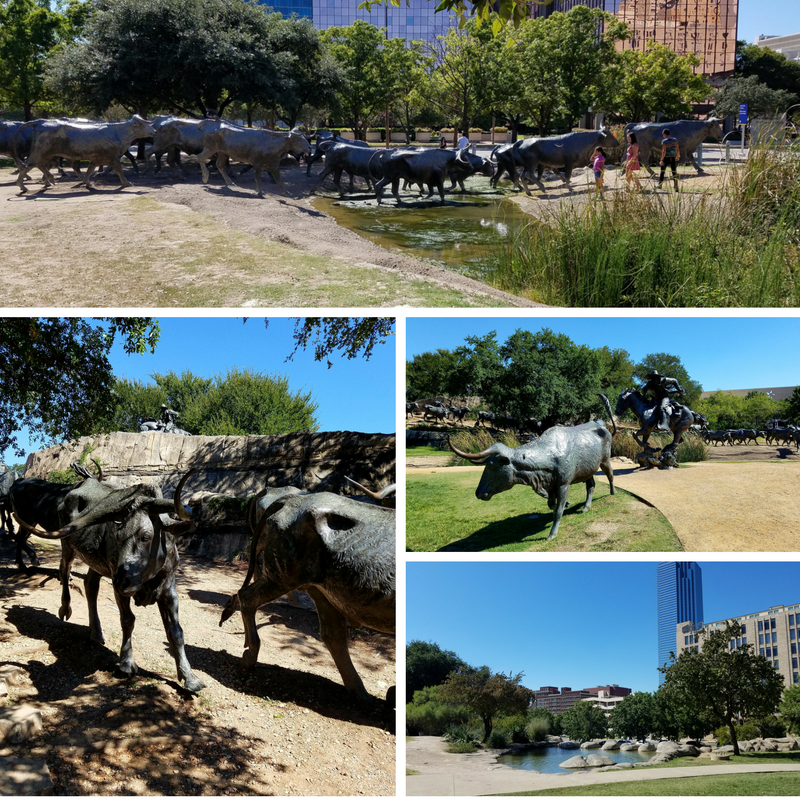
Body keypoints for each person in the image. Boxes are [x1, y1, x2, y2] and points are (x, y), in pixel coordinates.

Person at [658, 128, 680, 192]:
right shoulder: (675, 140)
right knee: (674, 172)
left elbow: (663, 151)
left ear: (665, 134)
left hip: (666, 157)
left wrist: (661, 159)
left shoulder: (664, 141)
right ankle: (676, 186)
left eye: (663, 134)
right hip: (673, 157)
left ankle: (660, 184)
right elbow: (677, 149)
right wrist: (677, 156)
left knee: (662, 171)